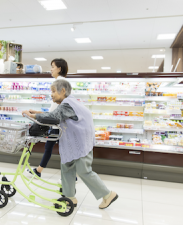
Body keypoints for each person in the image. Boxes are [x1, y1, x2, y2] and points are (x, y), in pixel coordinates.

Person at [22, 79, 118, 209]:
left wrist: (33, 116)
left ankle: (108, 195)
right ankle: (70, 197)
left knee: (84, 171)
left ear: (63, 91)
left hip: (82, 143)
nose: (52, 94)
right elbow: (55, 114)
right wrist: (38, 113)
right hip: (74, 142)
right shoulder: (68, 103)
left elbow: (55, 117)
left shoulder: (68, 104)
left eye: (54, 91)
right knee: (66, 167)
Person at [25, 58, 77, 184]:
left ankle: (69, 176)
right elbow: (55, 108)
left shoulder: (60, 82)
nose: (51, 69)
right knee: (53, 147)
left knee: (58, 148)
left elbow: (56, 109)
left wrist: (38, 116)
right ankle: (40, 170)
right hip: (58, 123)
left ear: (59, 68)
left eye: (53, 66)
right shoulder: (62, 82)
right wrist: (39, 113)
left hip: (59, 124)